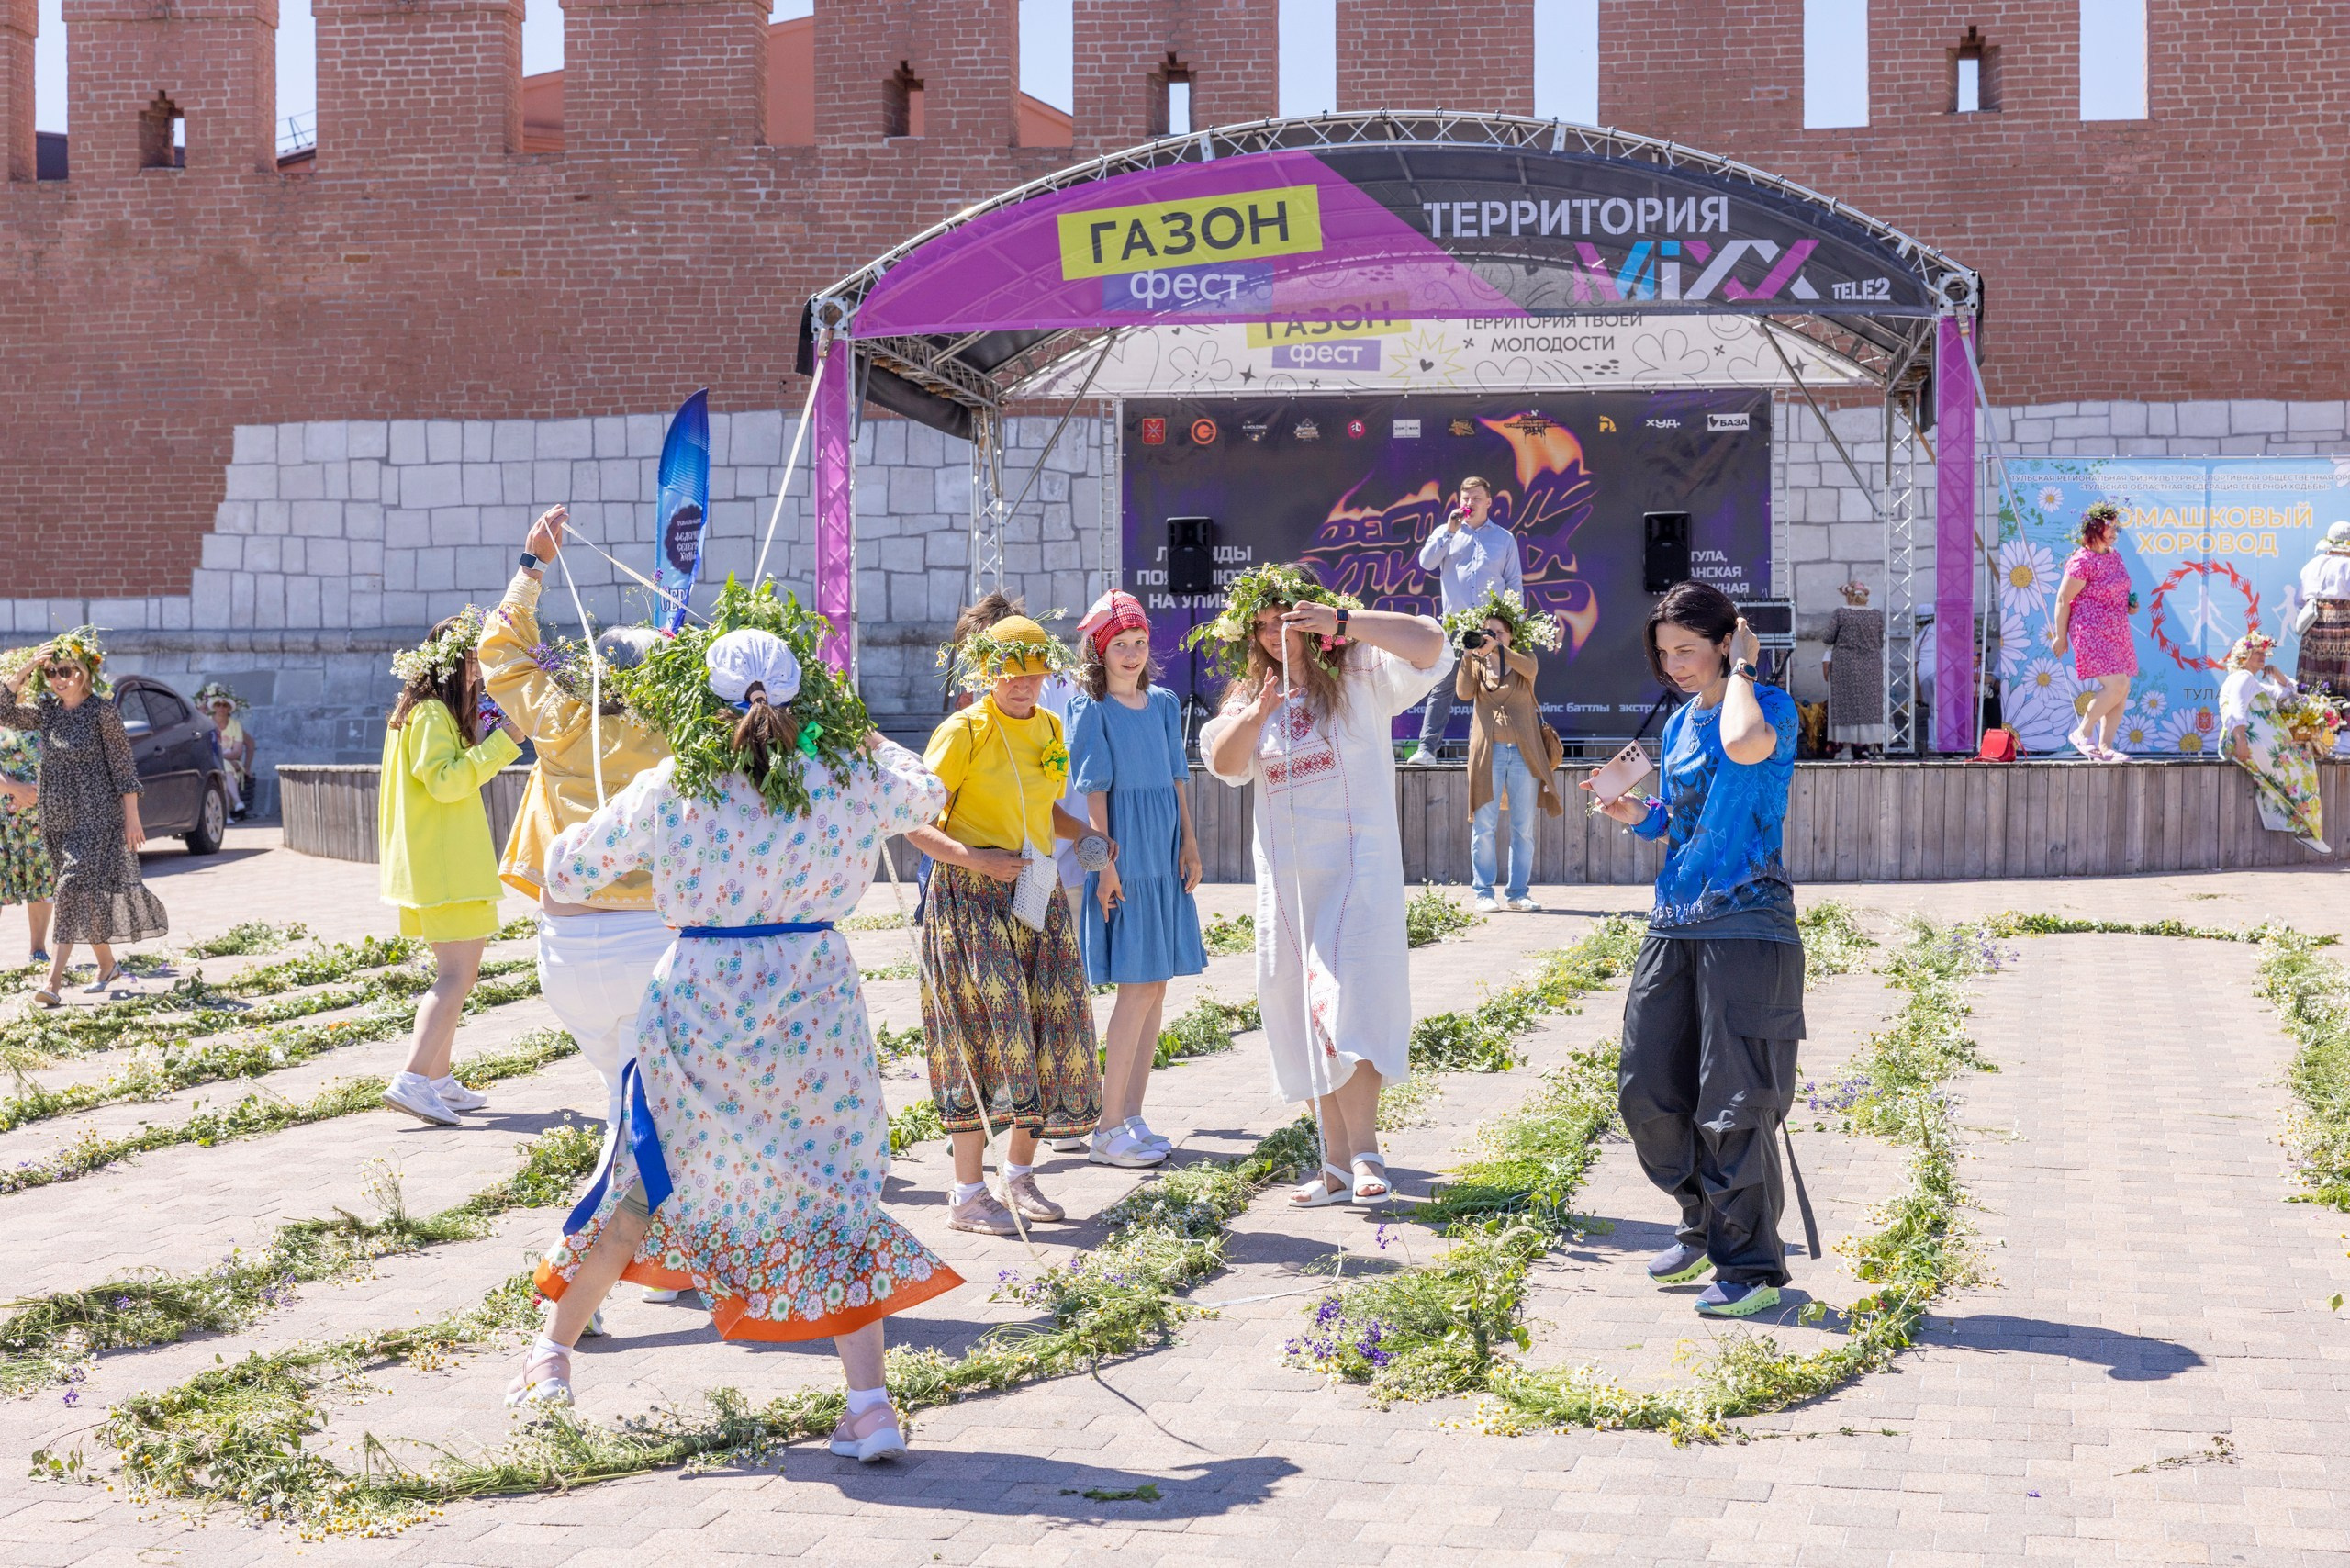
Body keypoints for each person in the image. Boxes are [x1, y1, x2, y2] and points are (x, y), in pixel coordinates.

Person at [516, 596, 962, 1464]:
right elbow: (928, 793)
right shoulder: (846, 773)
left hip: (701, 1002)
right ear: (807, 702)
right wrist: (864, 736)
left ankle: (551, 1362)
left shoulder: (675, 783)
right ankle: (869, 1406)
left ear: (705, 702)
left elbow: (565, 867)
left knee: (646, 1177)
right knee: (833, 1191)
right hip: (814, 1003)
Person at [479, 506, 688, 1303]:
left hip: (565, 953)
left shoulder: (560, 718)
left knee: (638, 1115)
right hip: (646, 950)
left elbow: (497, 650)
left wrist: (532, 565)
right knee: (641, 1124)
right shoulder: (676, 736)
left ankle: (655, 1263)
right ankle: (577, 1272)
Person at [1583, 581, 1806, 1320]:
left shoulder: (1764, 706)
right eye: (1664, 652)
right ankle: (1703, 1223)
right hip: (1674, 922)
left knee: (1734, 1104)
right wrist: (1636, 813)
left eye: (1688, 649)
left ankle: (1752, 1268)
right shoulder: (1680, 723)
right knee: (1648, 1089)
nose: (1675, 664)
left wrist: (1744, 670)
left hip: (1749, 926)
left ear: (1724, 640)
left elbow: (1744, 750)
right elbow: (1681, 819)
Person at [1197, 563, 1450, 1207]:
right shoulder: (1246, 702)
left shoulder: (1362, 673)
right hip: (1288, 886)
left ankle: (1366, 1154)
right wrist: (1258, 714)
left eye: (1285, 620)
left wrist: (1343, 620)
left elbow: (1432, 644)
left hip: (1357, 872)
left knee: (1352, 1004)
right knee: (1299, 1013)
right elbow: (1225, 765)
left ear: (1310, 620)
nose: (1274, 635)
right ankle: (1334, 1164)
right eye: (1260, 627)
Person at [908, 613, 1105, 1236]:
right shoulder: (962, 730)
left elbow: (1042, 806)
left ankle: (1017, 1178)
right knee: (986, 1035)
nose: (1023, 683)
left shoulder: (1049, 725)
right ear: (988, 672)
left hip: (1035, 889)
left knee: (1053, 1027)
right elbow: (912, 819)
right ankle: (968, 1194)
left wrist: (1089, 834)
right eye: (1010, 673)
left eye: (1034, 672)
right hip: (968, 896)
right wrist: (975, 860)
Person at [1068, 589, 1206, 1169]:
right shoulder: (1091, 709)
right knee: (1135, 986)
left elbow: (1178, 779)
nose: (1131, 653)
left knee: (1157, 987)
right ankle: (1105, 1126)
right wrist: (1105, 870)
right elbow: (1093, 794)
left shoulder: (1166, 702)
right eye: (1119, 645)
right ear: (1099, 653)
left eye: (1139, 642)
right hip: (1126, 859)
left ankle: (1132, 1112)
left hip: (1166, 855)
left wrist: (1192, 843)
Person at [376, 608, 524, 1126]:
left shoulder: (415, 711)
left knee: (457, 974)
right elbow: (444, 781)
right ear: (453, 663)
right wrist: (504, 744)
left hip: (435, 864)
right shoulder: (432, 715)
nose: (480, 671)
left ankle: (436, 1078)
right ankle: (414, 1078)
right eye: (474, 660)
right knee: (456, 976)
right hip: (444, 866)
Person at [0, 629, 167, 1007]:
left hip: (97, 816)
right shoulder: (47, 712)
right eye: (53, 672)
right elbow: (2, 710)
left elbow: (124, 768)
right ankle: (107, 966)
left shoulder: (102, 711)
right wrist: (28, 666)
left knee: (70, 888)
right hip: (56, 818)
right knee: (85, 897)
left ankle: (52, 983)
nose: (60, 679)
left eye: (67, 670)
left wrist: (132, 818)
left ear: (86, 672)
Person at [1451, 592, 1563, 913]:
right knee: (1484, 825)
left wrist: (1500, 649)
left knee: (1522, 828)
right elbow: (1462, 693)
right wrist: (1469, 655)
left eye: (1498, 632)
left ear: (1511, 635)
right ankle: (1483, 892)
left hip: (1524, 753)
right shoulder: (1476, 662)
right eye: (1487, 632)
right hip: (1490, 752)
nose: (1491, 638)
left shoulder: (1522, 657)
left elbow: (1529, 669)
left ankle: (1518, 893)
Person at [1407, 476, 1520, 766]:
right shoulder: (1448, 532)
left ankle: (1493, 752)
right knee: (1443, 684)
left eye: (1476, 498)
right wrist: (1449, 530)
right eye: (1466, 498)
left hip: (1491, 626)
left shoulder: (1504, 538)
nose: (1470, 504)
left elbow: (1513, 582)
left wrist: (1514, 626)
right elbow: (1425, 562)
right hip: (1456, 625)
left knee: (1495, 686)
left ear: (1488, 502)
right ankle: (1426, 750)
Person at [2220, 631, 2328, 853]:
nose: (2263, 657)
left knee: (2299, 769)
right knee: (2302, 768)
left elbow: (2289, 694)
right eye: (2257, 653)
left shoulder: (2252, 682)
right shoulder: (2243, 678)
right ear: (2243, 656)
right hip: (2247, 742)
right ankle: (2306, 830)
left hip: (2254, 743)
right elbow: (2235, 711)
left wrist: (2276, 674)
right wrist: (2241, 741)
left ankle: (2306, 830)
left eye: (2264, 653)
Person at [2051, 501, 2136, 762]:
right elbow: (2064, 599)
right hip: (2091, 631)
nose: (2112, 533)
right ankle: (2082, 732)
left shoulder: (2114, 555)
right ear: (2093, 529)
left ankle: (2105, 747)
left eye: (2115, 528)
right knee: (2116, 684)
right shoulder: (2082, 560)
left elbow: (2116, 591)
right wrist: (2060, 636)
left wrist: (2130, 605)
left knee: (2123, 687)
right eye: (2107, 527)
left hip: (2117, 629)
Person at [0, 661, 56, 969]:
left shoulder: (41, 714)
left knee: (41, 880)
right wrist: (13, 788)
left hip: (38, 816)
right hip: (1, 813)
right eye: (13, 677)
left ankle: (38, 949)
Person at [1818, 580, 1886, 759]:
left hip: (1844, 667)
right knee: (1871, 706)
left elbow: (1828, 638)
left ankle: (1846, 748)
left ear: (1848, 597)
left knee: (1845, 706)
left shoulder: (1841, 613)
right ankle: (1874, 748)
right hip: (1871, 666)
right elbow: (1880, 642)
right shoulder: (1876, 615)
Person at [2295, 521, 2350, 699]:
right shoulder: (2347, 565)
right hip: (2345, 625)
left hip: (2315, 625)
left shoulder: (2312, 565)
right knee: (2344, 678)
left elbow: (2299, 600)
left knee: (2315, 681)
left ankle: (2315, 719)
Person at [193, 683, 255, 819]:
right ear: (213, 707)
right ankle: (237, 803)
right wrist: (226, 756)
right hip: (216, 764)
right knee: (224, 770)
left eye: (225, 705)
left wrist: (246, 766)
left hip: (232, 765)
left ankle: (226, 815)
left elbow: (238, 751)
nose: (221, 708)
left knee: (224, 769)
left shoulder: (235, 725)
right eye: (218, 704)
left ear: (229, 708)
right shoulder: (208, 723)